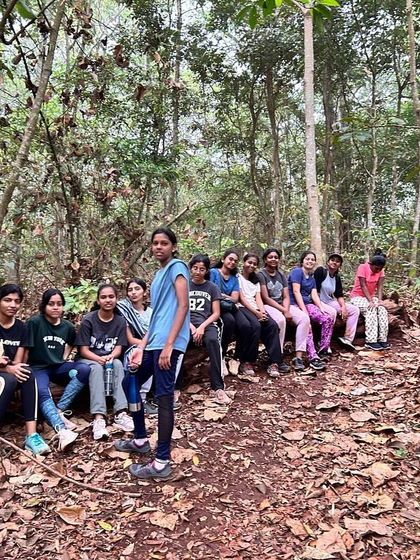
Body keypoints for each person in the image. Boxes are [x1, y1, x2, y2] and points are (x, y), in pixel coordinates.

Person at [114, 227, 190, 481]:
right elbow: (156, 315)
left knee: (164, 397)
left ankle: (161, 462)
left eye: (164, 243)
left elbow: (182, 305)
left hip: (170, 342)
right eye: (155, 243)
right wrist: (141, 346)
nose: (159, 247)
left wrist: (169, 345)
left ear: (173, 246)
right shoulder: (158, 275)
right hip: (154, 341)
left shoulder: (178, 267)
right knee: (130, 380)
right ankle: (140, 438)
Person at [26, 288, 91, 451]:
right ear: (44, 306)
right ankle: (61, 430)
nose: (55, 308)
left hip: (58, 367)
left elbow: (71, 342)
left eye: (59, 304)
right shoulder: (35, 323)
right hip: (38, 368)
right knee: (41, 390)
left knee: (83, 369)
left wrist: (63, 357)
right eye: (51, 304)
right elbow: (25, 346)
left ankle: (59, 410)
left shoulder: (67, 326)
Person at [76, 284, 134, 440]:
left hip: (108, 358)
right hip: (88, 359)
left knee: (117, 364)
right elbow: (83, 350)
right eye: (103, 297)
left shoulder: (120, 321)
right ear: (98, 300)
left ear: (116, 298)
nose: (108, 300)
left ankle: (121, 412)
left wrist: (110, 357)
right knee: (95, 367)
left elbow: (118, 348)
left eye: (111, 297)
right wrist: (99, 359)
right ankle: (99, 417)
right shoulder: (89, 320)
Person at [0, 284, 50, 455]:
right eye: (7, 300)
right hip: (5, 373)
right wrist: (8, 369)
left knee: (27, 373)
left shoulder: (22, 327)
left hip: (10, 370)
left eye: (17, 301)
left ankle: (32, 435)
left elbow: (19, 362)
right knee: (7, 380)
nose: (12, 305)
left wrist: (10, 367)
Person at [238, 253, 290, 377]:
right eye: (249, 262)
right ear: (243, 263)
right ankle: (247, 361)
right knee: (255, 326)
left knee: (272, 325)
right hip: (243, 308)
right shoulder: (237, 277)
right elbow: (242, 298)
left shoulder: (255, 279)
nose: (251, 265)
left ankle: (274, 362)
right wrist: (256, 313)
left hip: (256, 308)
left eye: (254, 264)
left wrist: (262, 312)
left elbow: (259, 298)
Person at [188, 254, 230, 405]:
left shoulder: (212, 287)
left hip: (207, 323)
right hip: (186, 324)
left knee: (213, 341)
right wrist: (191, 327)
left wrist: (201, 327)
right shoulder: (184, 285)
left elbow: (216, 313)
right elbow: (179, 310)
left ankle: (218, 387)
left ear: (206, 271)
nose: (198, 272)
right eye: (195, 268)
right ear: (190, 268)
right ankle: (175, 387)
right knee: (177, 346)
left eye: (202, 269)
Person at [288, 251, 334, 372]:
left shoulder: (312, 277)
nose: (310, 261)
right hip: (293, 304)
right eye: (307, 259)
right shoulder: (297, 272)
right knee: (306, 322)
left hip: (307, 303)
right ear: (302, 260)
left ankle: (323, 350)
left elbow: (314, 295)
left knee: (327, 318)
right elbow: (296, 292)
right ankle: (312, 357)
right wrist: (304, 311)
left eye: (312, 259)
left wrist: (321, 308)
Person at [117, 278, 156, 414]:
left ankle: (160, 395)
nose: (133, 293)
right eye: (130, 290)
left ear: (144, 292)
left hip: (153, 344)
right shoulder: (125, 311)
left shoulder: (152, 312)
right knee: (145, 356)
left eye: (137, 289)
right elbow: (130, 339)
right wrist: (145, 345)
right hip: (133, 347)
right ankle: (141, 398)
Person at [209, 249, 251, 373]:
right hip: (217, 306)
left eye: (235, 261)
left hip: (230, 307)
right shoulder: (214, 273)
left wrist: (222, 295)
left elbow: (235, 298)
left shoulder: (234, 278)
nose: (232, 262)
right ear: (223, 259)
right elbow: (211, 291)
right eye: (230, 259)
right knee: (229, 322)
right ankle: (220, 356)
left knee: (245, 325)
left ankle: (236, 358)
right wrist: (226, 297)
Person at [314, 254, 360, 351]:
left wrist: (343, 307)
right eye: (332, 260)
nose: (334, 262)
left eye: (337, 261)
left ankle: (347, 339)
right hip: (318, 300)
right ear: (328, 262)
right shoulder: (321, 272)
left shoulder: (336, 277)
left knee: (354, 310)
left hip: (330, 301)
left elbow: (339, 295)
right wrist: (318, 305)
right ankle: (324, 342)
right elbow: (314, 290)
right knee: (332, 312)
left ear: (340, 265)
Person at [349, 249, 389, 351]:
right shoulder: (363, 267)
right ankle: (371, 341)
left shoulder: (381, 271)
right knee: (371, 309)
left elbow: (380, 286)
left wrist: (379, 300)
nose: (378, 271)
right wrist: (370, 301)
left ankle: (382, 339)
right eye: (376, 268)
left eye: (380, 269)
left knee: (382, 310)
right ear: (371, 264)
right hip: (358, 296)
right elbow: (363, 285)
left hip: (371, 296)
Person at [258, 247, 290, 353]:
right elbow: (266, 298)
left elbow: (286, 296)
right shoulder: (261, 274)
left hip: (281, 304)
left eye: (276, 257)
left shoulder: (281, 275)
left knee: (303, 318)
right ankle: (278, 353)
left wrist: (286, 309)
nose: (273, 259)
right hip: (267, 306)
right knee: (280, 320)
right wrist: (284, 310)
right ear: (265, 260)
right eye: (270, 257)